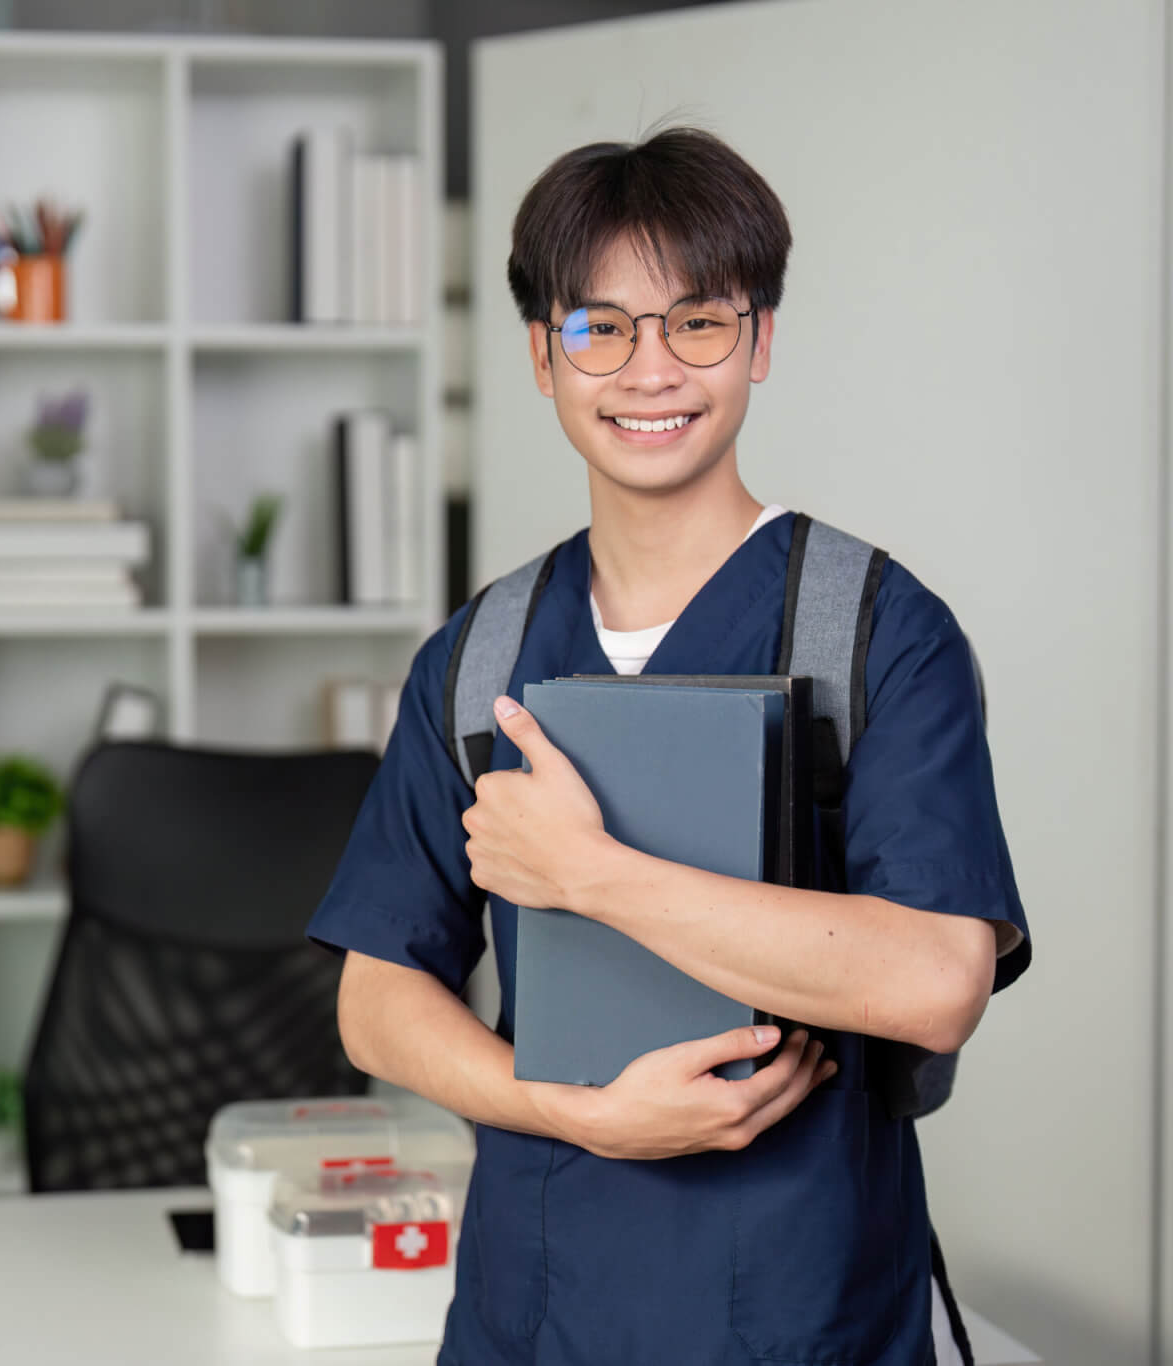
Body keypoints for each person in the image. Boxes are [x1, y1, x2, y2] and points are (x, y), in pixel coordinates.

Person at [307, 126, 1031, 1366]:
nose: (650, 369)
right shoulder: (479, 656)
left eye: (695, 321)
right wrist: (575, 1111)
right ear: (542, 355)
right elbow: (375, 999)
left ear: (759, 341)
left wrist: (593, 876)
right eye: (600, 327)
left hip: (800, 1317)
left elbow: (933, 980)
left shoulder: (873, 633)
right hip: (530, 1312)